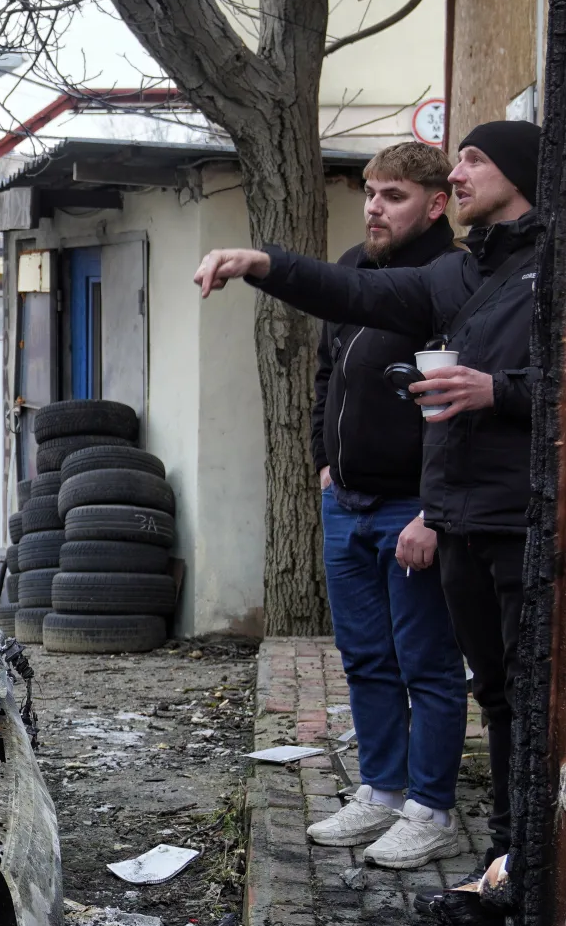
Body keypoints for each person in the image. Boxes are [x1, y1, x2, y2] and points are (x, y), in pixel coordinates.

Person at [192, 119, 543, 878]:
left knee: (477, 681)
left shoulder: (537, 270)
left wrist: (498, 392)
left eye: (473, 160)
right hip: (433, 508)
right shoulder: (460, 276)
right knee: (449, 678)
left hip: (486, 517)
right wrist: (263, 263)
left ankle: (451, 820)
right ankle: (429, 815)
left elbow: (537, 385)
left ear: (520, 173)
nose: (458, 173)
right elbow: (350, 296)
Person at [301, 142, 468, 869]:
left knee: (426, 664)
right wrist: (324, 461)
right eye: (370, 192)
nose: (374, 207)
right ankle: (382, 792)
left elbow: (460, 412)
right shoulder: (352, 269)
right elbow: (326, 374)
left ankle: (431, 810)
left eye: (393, 195)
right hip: (348, 502)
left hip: (412, 508)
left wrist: (433, 510)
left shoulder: (455, 280)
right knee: (366, 658)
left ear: (436, 204)